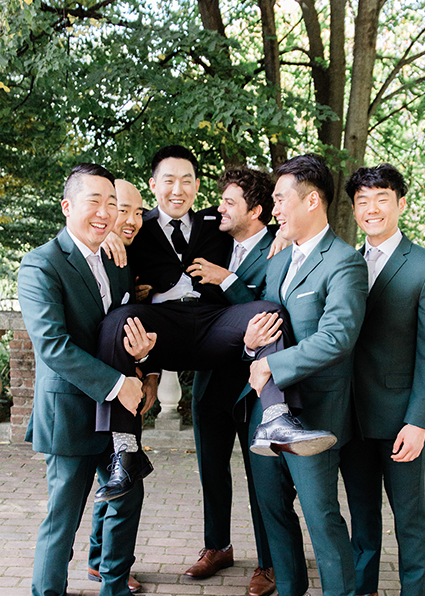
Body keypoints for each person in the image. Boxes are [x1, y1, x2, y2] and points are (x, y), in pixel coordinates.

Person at [94, 145, 335, 503]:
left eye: (187, 181)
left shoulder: (215, 221)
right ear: (153, 185)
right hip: (166, 327)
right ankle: (125, 449)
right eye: (169, 181)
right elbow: (98, 230)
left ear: (196, 186)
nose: (178, 189)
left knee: (269, 310)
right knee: (116, 322)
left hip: (212, 324)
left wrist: (282, 233)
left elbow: (254, 220)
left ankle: (277, 417)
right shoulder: (137, 228)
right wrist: (112, 233)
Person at [18, 164, 170, 596]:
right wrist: (117, 383)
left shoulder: (118, 261)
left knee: (129, 493)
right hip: (71, 410)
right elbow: (53, 345)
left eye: (113, 202)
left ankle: (113, 593)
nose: (106, 213)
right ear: (68, 207)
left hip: (119, 413)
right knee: (62, 519)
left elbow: (125, 327)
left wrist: (142, 355)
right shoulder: (41, 265)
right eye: (94, 202)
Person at [318, 164, 425, 596]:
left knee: (409, 518)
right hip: (351, 416)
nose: (371, 208)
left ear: (400, 203)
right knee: (362, 511)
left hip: (400, 420)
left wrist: (419, 421)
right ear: (353, 210)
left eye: (381, 198)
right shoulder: (344, 262)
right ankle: (365, 588)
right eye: (362, 201)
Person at [243, 154, 369, 596]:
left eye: (279, 197)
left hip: (315, 418)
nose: (272, 207)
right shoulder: (278, 259)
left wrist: (274, 361)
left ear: (312, 199)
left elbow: (338, 337)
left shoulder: (344, 262)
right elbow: (263, 319)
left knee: (323, 519)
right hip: (268, 412)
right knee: (271, 505)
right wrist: (251, 342)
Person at [185, 168, 279, 596]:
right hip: (210, 379)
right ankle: (216, 546)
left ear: (256, 212)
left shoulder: (280, 248)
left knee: (263, 473)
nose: (219, 208)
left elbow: (268, 307)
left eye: (230, 202)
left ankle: (269, 561)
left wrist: (227, 279)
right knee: (211, 469)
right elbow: (165, 219)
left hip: (253, 383)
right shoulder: (214, 236)